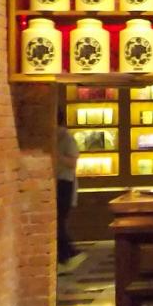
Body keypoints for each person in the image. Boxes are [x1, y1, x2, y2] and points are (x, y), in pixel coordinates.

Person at [55, 108, 83, 270]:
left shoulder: (66, 137)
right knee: (58, 222)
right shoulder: (56, 136)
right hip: (58, 182)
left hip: (64, 183)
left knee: (58, 221)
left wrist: (55, 155)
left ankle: (70, 254)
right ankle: (65, 257)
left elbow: (72, 163)